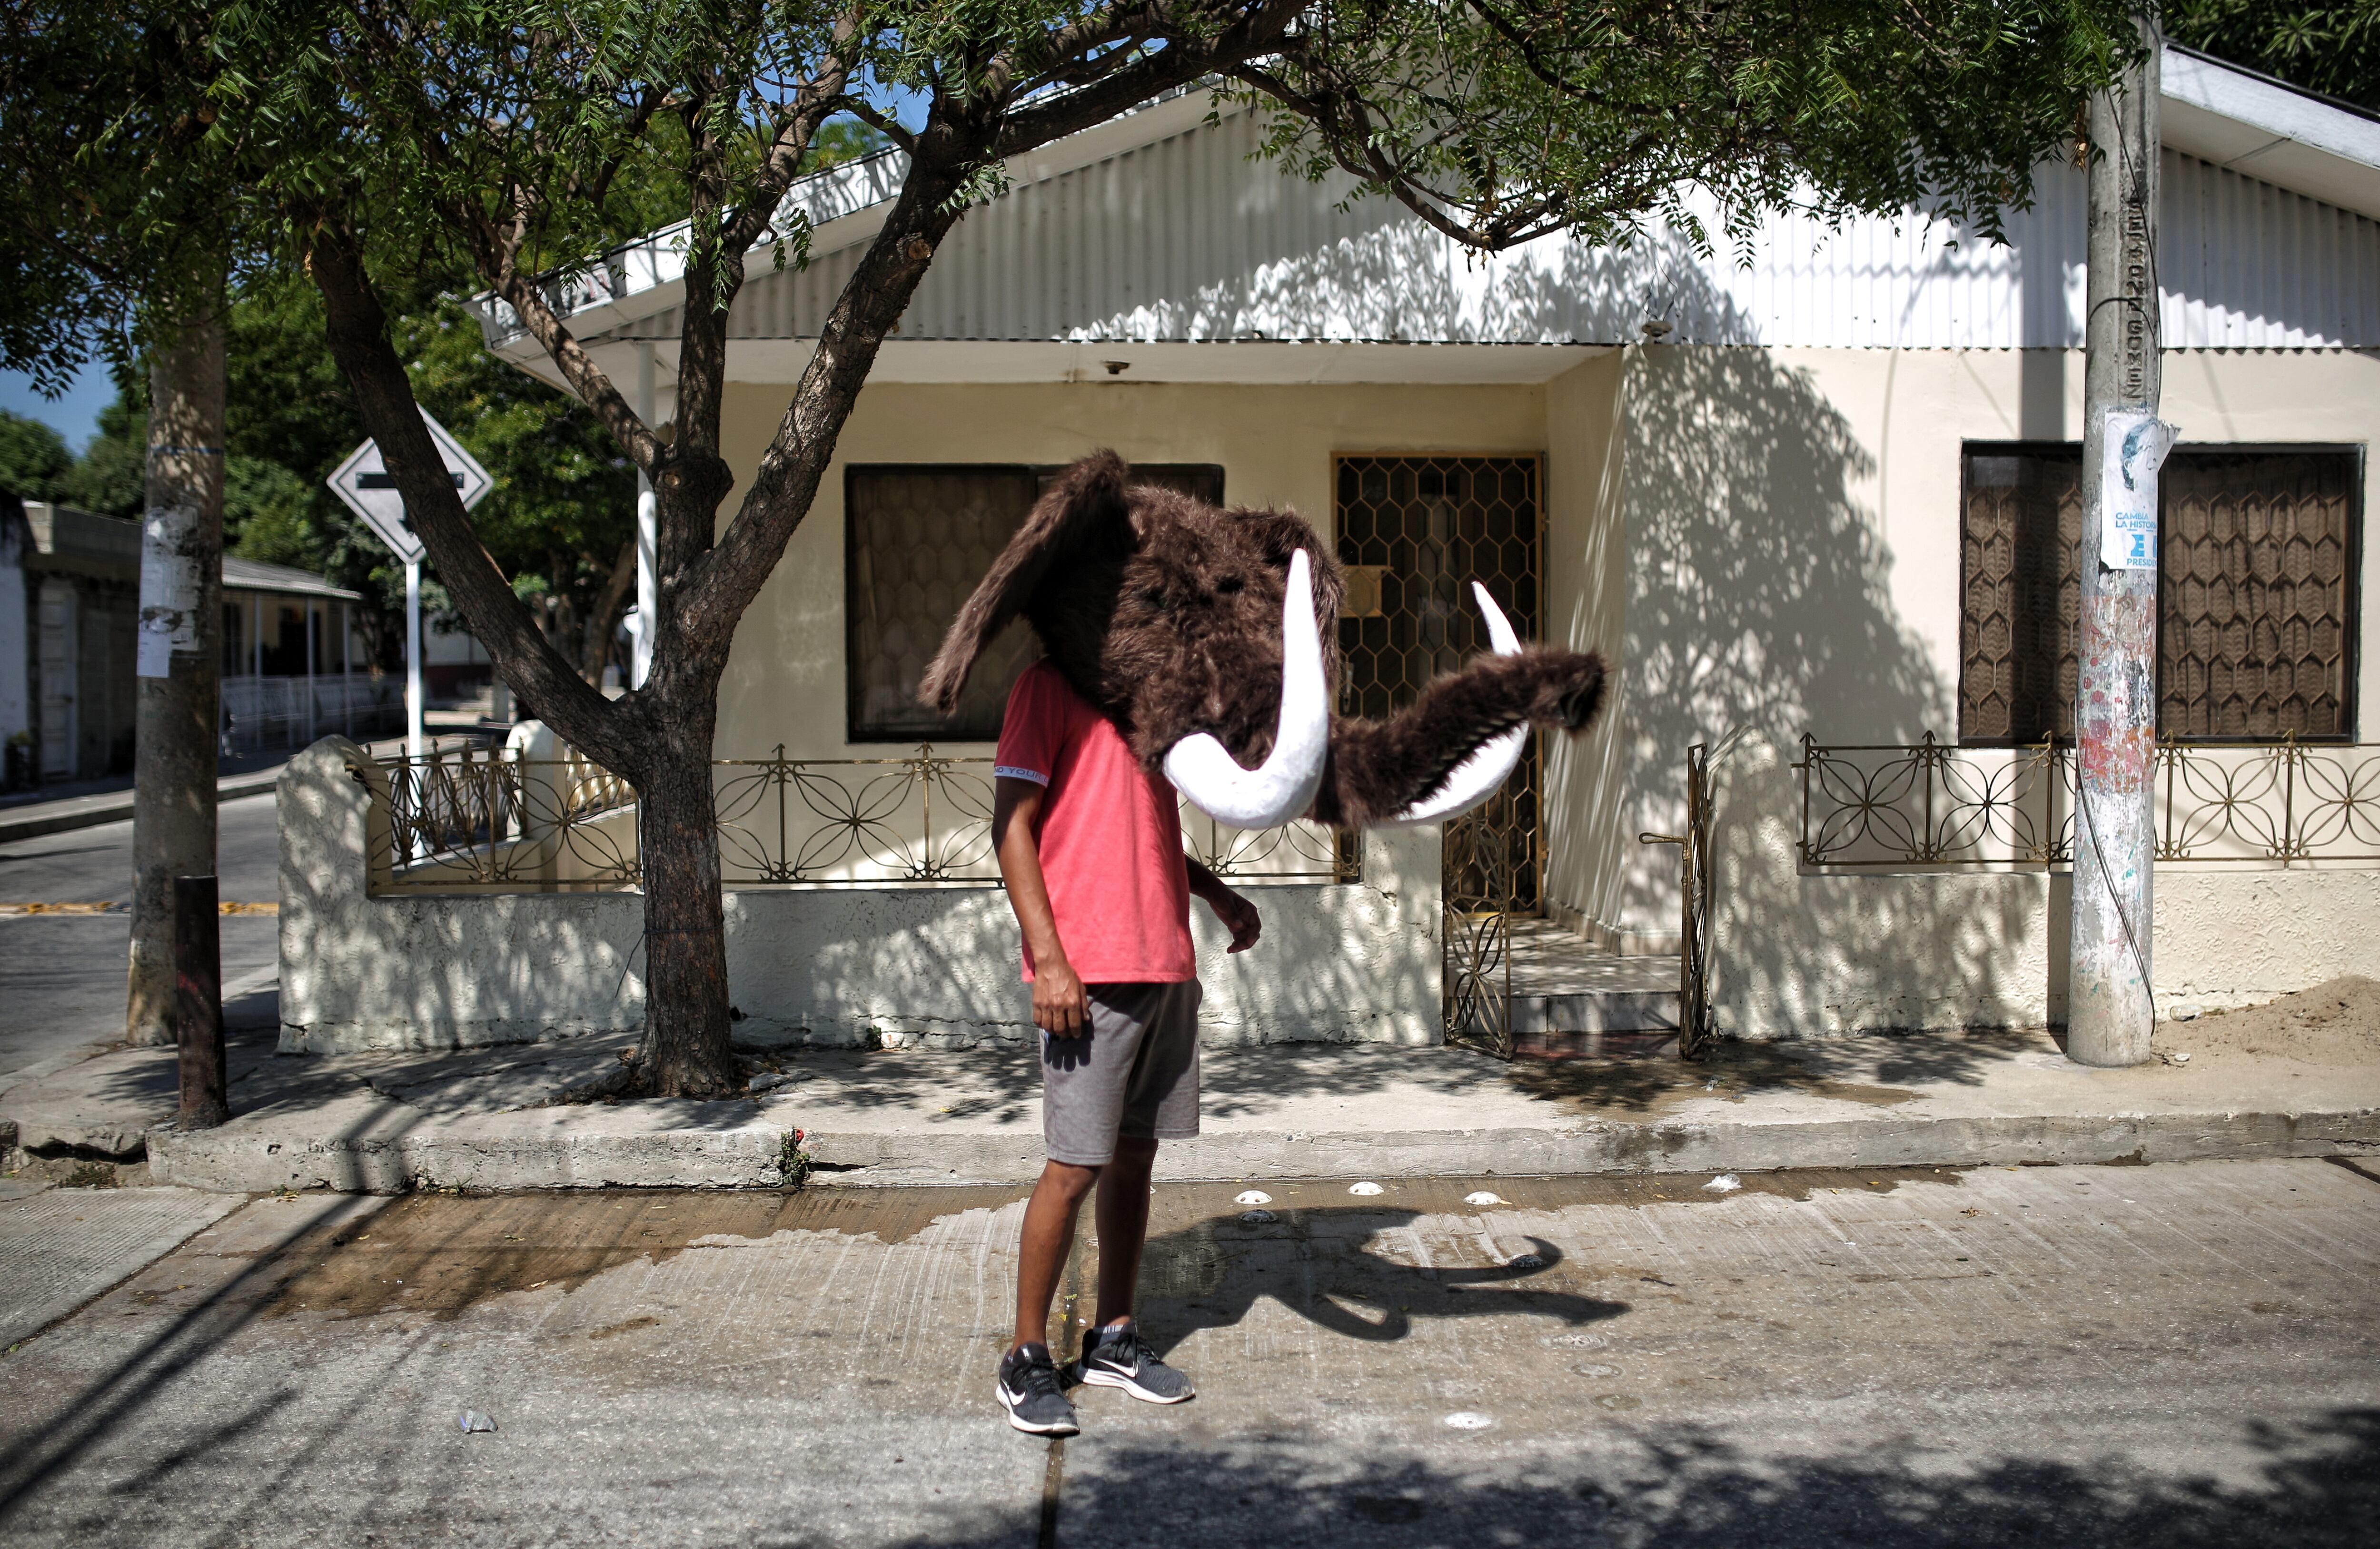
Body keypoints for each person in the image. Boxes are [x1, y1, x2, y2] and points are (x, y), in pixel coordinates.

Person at [990, 656, 1262, 1437]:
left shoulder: (1161, 698)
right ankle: (1026, 1356)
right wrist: (1049, 960)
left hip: (1164, 961)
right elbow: (1013, 828)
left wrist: (1212, 893)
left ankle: (1113, 1337)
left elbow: (1139, 837)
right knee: (1075, 1165)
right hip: (1089, 974)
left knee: (1136, 1156)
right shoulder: (1046, 683)